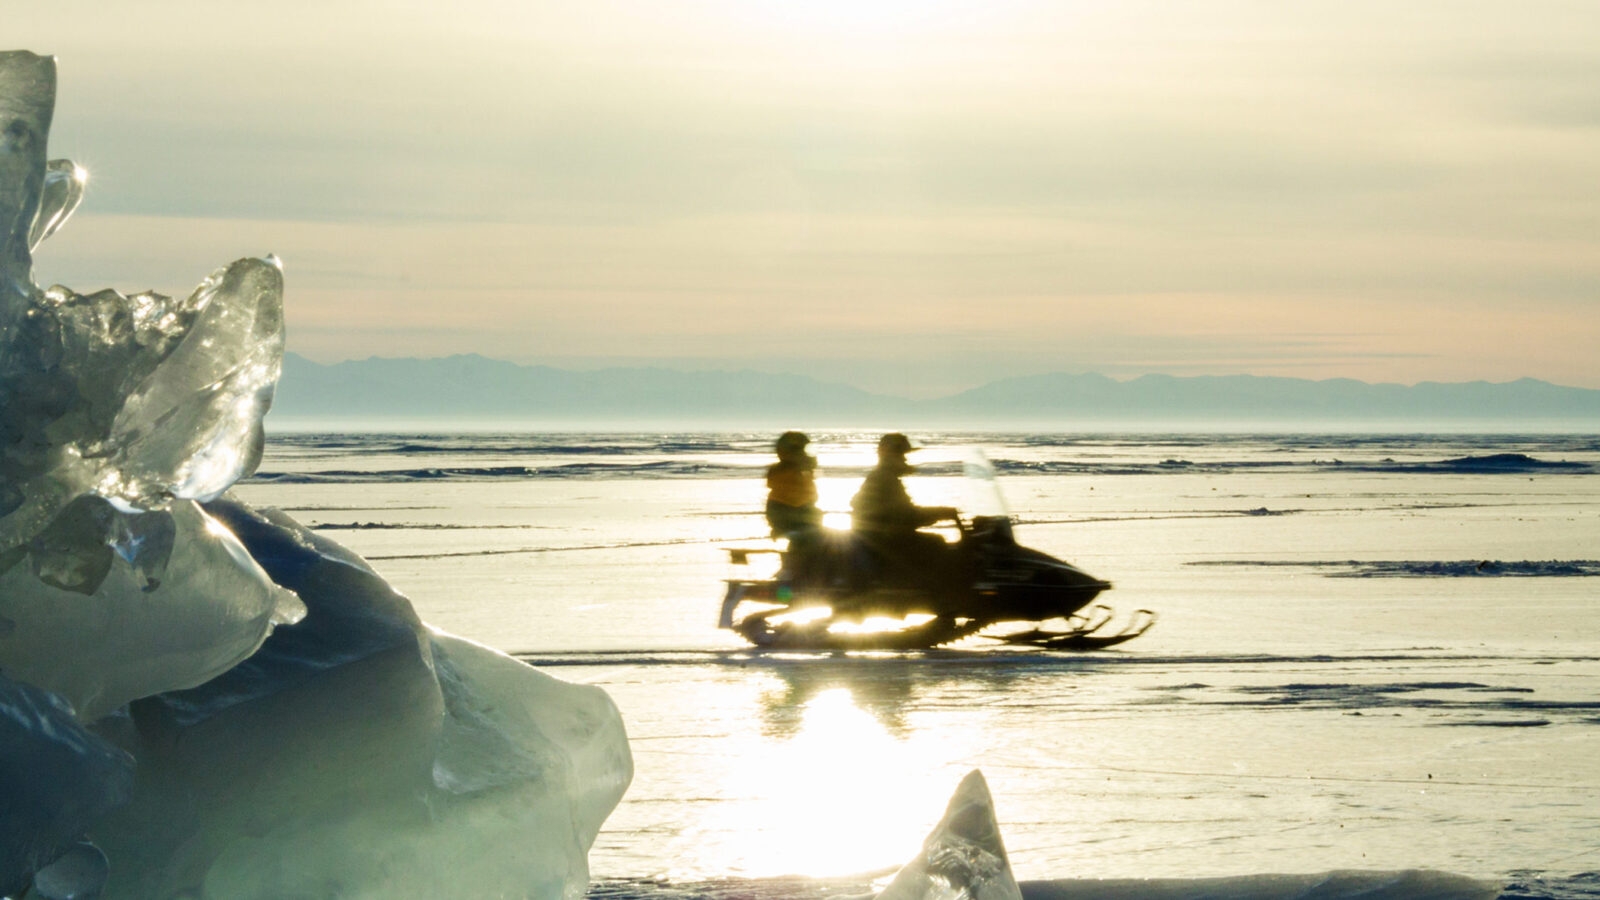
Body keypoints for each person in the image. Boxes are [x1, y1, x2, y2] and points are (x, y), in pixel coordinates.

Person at [850, 433, 958, 586]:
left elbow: (904, 512)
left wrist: (938, 513)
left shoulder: (884, 478)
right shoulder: (884, 479)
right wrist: (941, 513)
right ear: (889, 455)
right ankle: (938, 591)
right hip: (885, 542)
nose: (905, 460)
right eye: (901, 455)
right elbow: (907, 515)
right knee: (937, 543)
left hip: (883, 539)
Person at [765, 431, 823, 539]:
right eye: (804, 452)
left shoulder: (800, 473)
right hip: (791, 523)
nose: (808, 456)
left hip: (794, 521)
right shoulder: (787, 474)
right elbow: (800, 500)